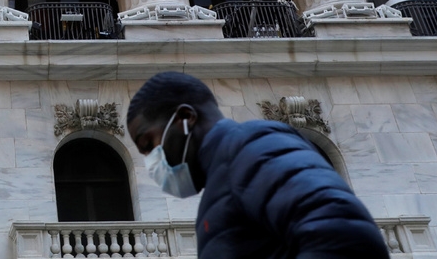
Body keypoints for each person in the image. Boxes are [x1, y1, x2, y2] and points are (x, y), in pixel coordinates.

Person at [126, 72, 389, 259]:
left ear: (186, 118)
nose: (152, 161)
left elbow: (346, 237)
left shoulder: (252, 147)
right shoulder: (227, 171)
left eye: (149, 144)